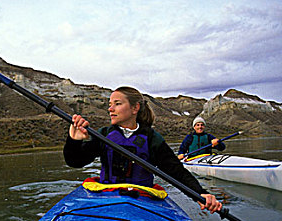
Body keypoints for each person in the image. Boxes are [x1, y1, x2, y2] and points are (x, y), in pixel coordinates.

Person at [63, 86, 222, 213]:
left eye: (117, 104)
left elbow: (175, 171)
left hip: (142, 199)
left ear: (135, 108)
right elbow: (75, 161)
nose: (110, 109)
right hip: (107, 196)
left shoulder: (152, 138)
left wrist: (200, 193)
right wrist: (74, 141)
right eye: (110, 105)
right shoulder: (104, 134)